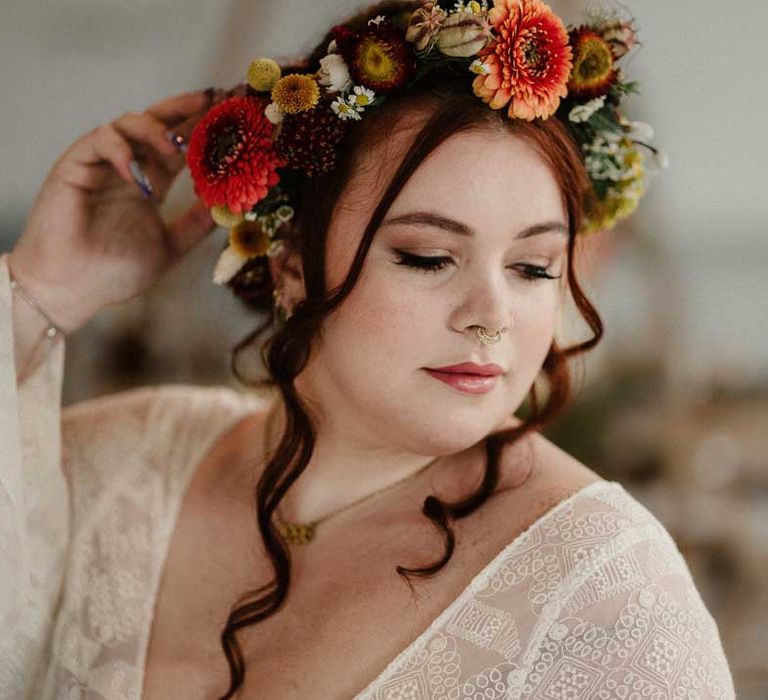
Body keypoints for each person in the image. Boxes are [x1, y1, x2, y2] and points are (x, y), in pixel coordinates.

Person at [1, 0, 734, 698]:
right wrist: (41, 295)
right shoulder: (118, 463)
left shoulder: (609, 596)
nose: (491, 319)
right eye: (426, 257)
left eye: (533, 268)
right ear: (290, 263)